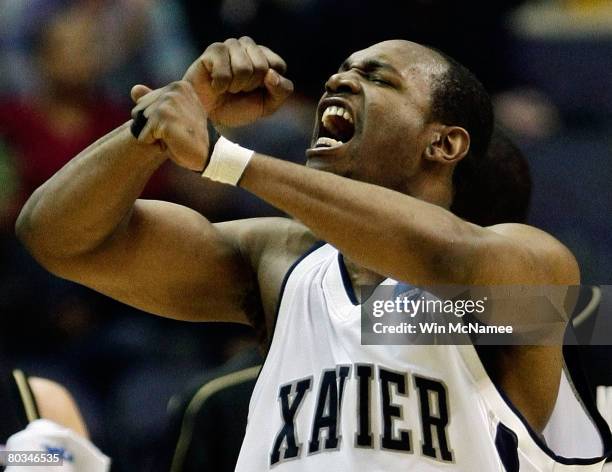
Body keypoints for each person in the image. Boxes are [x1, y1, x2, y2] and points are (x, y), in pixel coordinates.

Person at [15, 37, 610, 469]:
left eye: (379, 78)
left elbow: (457, 268)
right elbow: (59, 236)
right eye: (342, 70)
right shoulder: (281, 262)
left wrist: (226, 159)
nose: (340, 80)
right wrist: (159, 124)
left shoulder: (528, 262)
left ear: (444, 142)